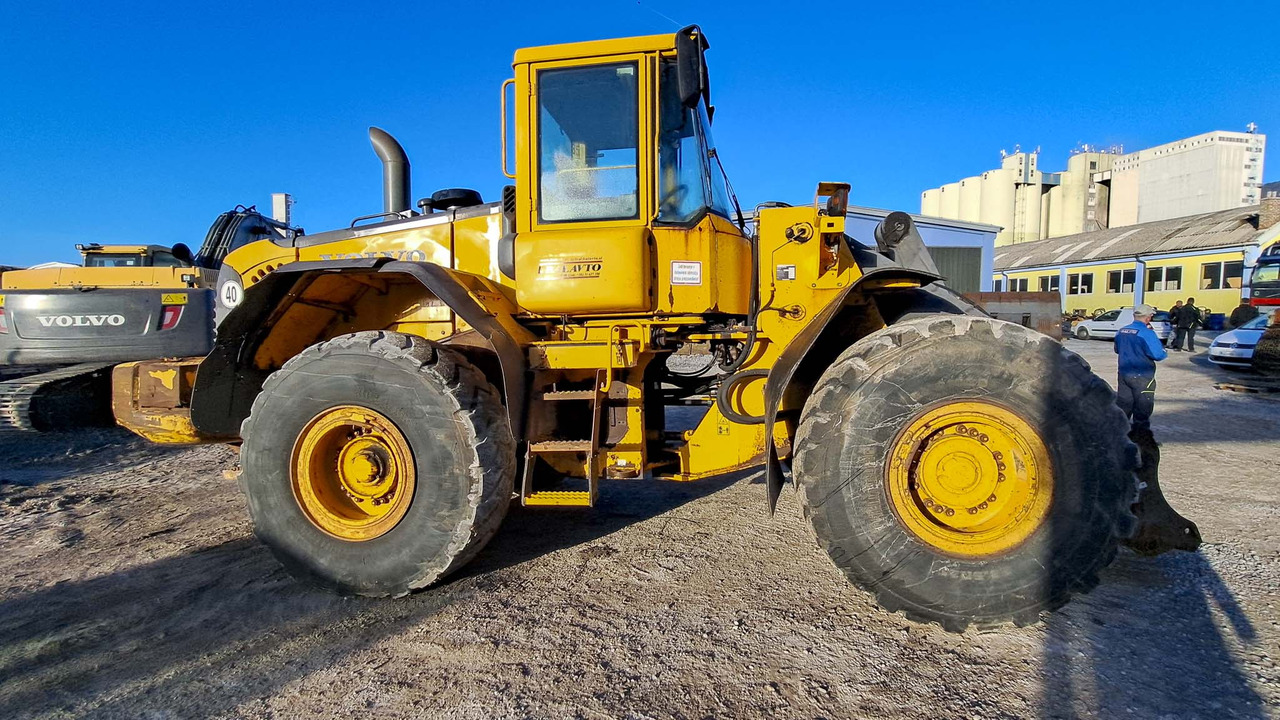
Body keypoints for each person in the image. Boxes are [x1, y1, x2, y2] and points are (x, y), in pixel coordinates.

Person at [1114, 304, 1167, 431]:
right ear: (1148, 318)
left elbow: (1117, 349)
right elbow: (1158, 355)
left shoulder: (1121, 331)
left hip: (1124, 374)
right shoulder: (1147, 333)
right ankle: (1141, 439)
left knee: (1124, 407)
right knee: (1142, 410)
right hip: (1142, 376)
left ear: (1134, 316)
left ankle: (1120, 436)